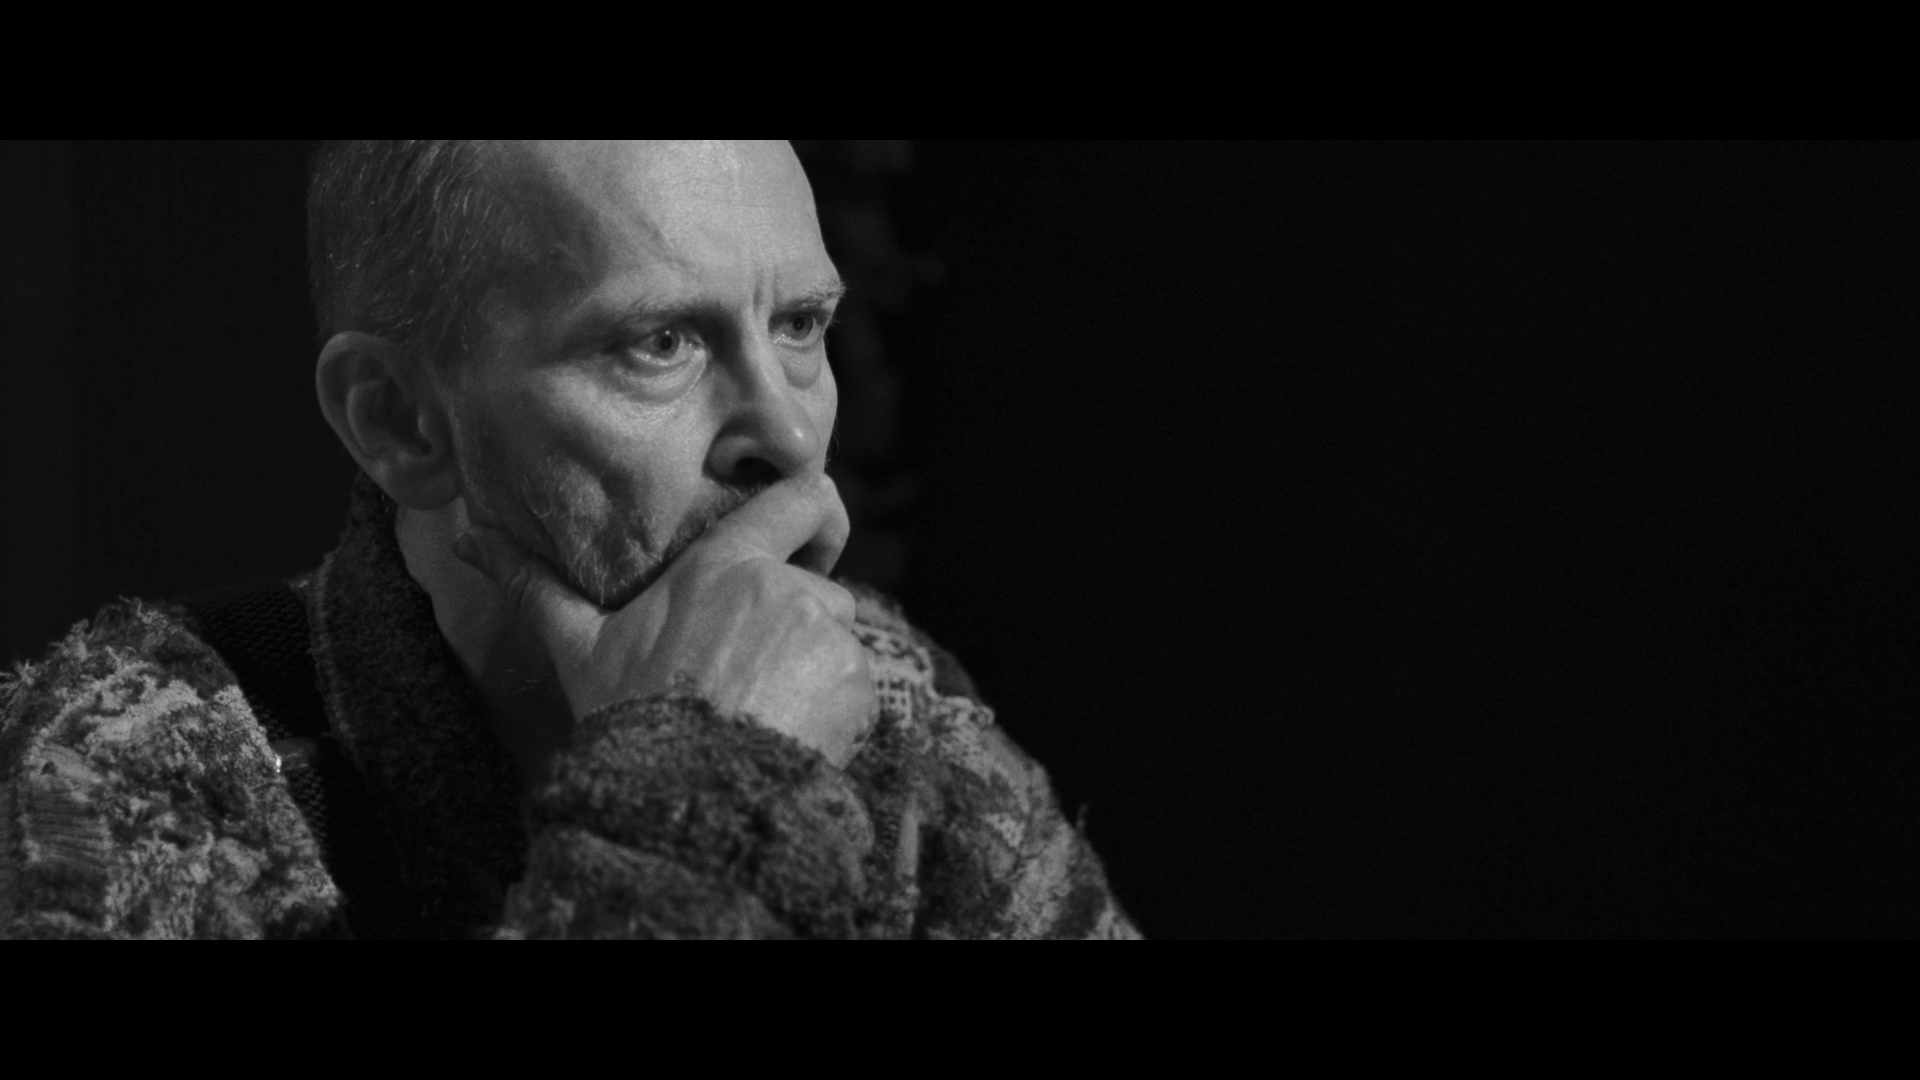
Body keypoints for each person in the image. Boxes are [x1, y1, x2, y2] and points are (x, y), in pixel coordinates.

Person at [0, 140, 1139, 939]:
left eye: (800, 324)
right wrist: (707, 778)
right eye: (660, 343)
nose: (791, 436)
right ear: (399, 421)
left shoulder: (888, 697)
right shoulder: (130, 761)